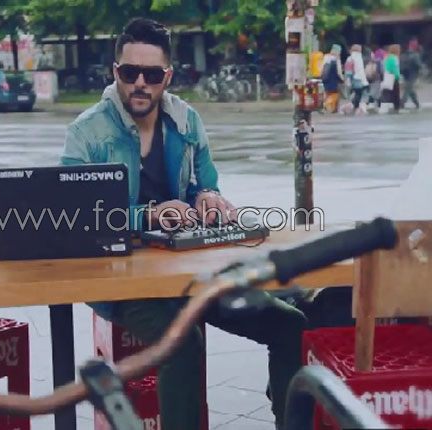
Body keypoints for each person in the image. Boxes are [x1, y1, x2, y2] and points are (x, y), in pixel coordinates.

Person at [60, 17, 307, 430]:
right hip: (120, 282)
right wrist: (148, 215)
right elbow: (74, 217)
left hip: (190, 275)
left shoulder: (187, 121)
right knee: (183, 342)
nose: (140, 83)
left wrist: (208, 199)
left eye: (152, 75)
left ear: (168, 77)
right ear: (115, 71)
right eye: (130, 73)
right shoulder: (87, 131)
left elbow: (205, 186)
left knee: (289, 324)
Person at [345, 44, 369, 115]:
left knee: (357, 93)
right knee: (360, 93)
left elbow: (348, 71)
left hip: (354, 78)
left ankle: (355, 107)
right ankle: (357, 107)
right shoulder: (361, 58)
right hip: (361, 79)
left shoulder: (350, 58)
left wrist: (348, 80)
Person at [400, 38, 422, 109]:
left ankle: (416, 103)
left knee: (410, 89)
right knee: (408, 89)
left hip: (405, 74)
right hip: (412, 74)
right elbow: (418, 65)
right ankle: (402, 103)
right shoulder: (415, 54)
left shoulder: (404, 54)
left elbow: (401, 63)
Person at [322, 44, 344, 113]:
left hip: (325, 79)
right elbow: (339, 72)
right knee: (335, 94)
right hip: (333, 79)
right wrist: (342, 79)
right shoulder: (336, 59)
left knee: (327, 93)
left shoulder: (325, 57)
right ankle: (330, 107)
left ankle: (326, 106)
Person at [383, 44, 402, 113]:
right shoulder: (395, 58)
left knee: (389, 92)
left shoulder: (387, 57)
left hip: (387, 77)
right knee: (396, 94)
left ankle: (387, 106)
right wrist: (398, 77)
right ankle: (397, 108)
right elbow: (395, 69)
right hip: (394, 78)